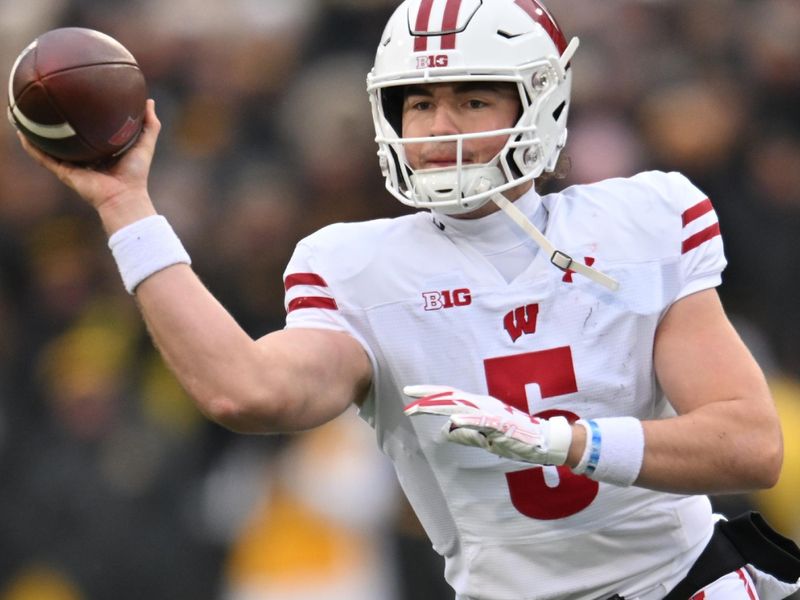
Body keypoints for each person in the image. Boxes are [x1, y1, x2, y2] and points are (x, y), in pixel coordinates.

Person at [15, 0, 800, 598]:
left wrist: (567, 443)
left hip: (685, 582)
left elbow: (748, 445)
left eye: (471, 101)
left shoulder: (640, 220)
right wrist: (127, 209)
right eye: (418, 103)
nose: (437, 128)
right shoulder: (359, 265)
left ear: (541, 101)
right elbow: (241, 388)